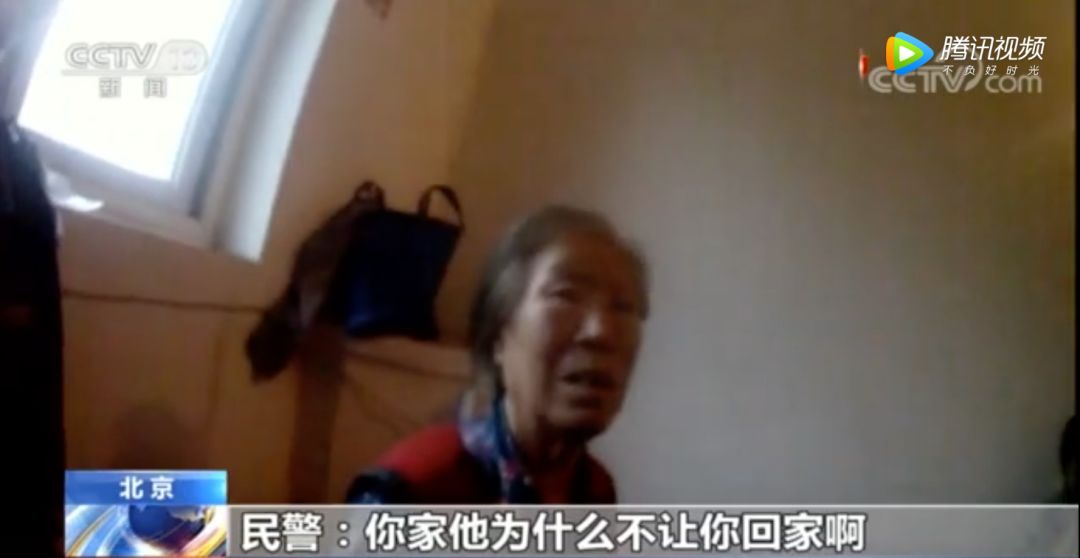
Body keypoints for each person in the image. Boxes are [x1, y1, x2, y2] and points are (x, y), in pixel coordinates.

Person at [346, 205, 649, 504]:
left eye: (623, 307)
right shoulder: (412, 492)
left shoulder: (595, 489)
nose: (602, 332)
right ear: (498, 336)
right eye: (566, 295)